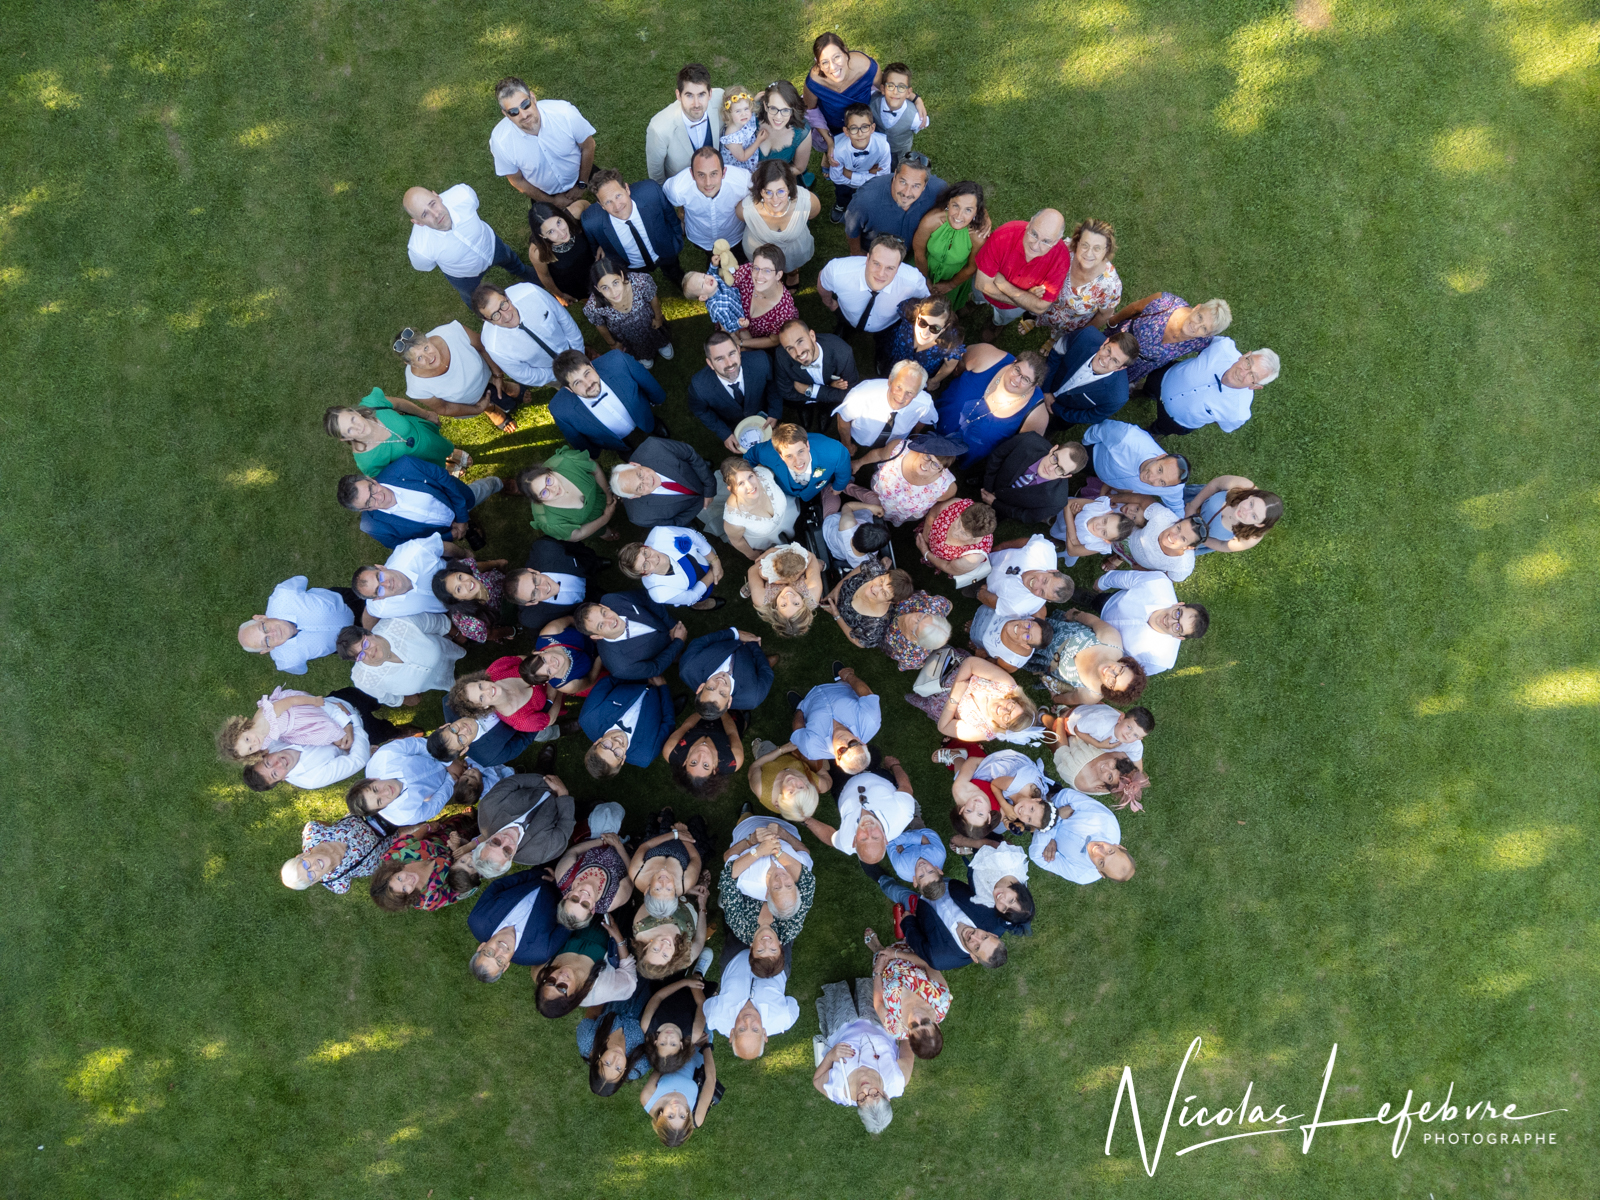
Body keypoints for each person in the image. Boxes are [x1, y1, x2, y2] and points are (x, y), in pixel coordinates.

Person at [403, 182, 538, 308]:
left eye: (432, 204)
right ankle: (481, 310)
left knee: (511, 260)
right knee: (472, 297)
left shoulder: (463, 196)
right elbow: (426, 265)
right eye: (425, 214)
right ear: (418, 222)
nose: (436, 214)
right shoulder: (420, 250)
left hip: (492, 246)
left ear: (437, 196)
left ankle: (522, 271)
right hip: (464, 275)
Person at [337, 459, 506, 552]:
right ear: (363, 510)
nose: (379, 496)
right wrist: (449, 536)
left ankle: (501, 483)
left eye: (371, 488)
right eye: (369, 502)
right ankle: (469, 528)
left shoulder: (405, 465)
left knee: (485, 488)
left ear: (370, 479)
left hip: (458, 500)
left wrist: (462, 518)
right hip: (445, 530)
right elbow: (407, 544)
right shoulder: (372, 526)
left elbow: (442, 477)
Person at [813, 978, 914, 1133]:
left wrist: (831, 1057)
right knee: (870, 986)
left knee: (839, 991)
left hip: (842, 1029)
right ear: (886, 1096)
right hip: (877, 1024)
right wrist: (907, 1028)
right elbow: (908, 1054)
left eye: (861, 1098)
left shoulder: (839, 1090)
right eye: (874, 1094)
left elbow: (817, 1081)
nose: (865, 1089)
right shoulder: (897, 1079)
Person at [816, 235, 930, 371]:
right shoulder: (838, 271)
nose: (881, 274)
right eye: (876, 263)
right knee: (845, 325)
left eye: (890, 268)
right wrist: (830, 303)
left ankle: (881, 356)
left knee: (885, 343)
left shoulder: (913, 281)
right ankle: (844, 331)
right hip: (846, 314)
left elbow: (926, 302)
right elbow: (823, 282)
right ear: (867, 258)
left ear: (899, 267)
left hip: (887, 324)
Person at [240, 691, 393, 792]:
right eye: (274, 774)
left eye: (268, 763)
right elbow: (358, 759)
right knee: (393, 728)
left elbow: (302, 706)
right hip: (364, 731)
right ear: (282, 779)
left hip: (341, 702)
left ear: (264, 755)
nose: (278, 764)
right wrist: (353, 723)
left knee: (385, 691)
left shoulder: (272, 738)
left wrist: (343, 719)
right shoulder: (311, 779)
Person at [932, 344, 1049, 472]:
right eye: (1017, 370)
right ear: (1014, 362)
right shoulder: (989, 356)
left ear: (1034, 385)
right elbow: (961, 358)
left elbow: (1020, 449)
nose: (1016, 379)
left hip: (964, 454)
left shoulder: (1036, 415)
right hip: (934, 418)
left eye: (1025, 379)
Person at [346, 735, 496, 828]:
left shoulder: (384, 757)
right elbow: (433, 807)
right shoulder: (402, 815)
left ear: (372, 779)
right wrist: (451, 780)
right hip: (443, 786)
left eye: (375, 789)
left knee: (479, 748)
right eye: (380, 801)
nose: (385, 792)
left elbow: (418, 745)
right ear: (382, 809)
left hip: (436, 754)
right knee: (478, 787)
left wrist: (449, 762)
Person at [488, 77, 596, 205]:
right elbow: (517, 180)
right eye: (513, 112)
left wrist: (582, 183)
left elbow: (588, 146)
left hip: (580, 173)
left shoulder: (565, 113)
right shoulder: (500, 142)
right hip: (545, 193)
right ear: (506, 114)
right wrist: (553, 201)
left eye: (525, 105)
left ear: (533, 98)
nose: (523, 115)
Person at [869, 874, 1008, 972]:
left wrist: (908, 921)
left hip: (919, 907)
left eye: (976, 947)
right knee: (922, 867)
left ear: (973, 957)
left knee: (895, 890)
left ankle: (880, 877)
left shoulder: (940, 958)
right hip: (944, 885)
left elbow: (915, 940)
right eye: (984, 937)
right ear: (992, 934)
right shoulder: (995, 918)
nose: (973, 937)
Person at [394, 321, 515, 429]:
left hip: (488, 376)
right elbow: (444, 408)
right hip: (471, 402)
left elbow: (482, 348)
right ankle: (491, 410)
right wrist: (478, 409)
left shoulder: (453, 332)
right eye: (419, 358)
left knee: (515, 392)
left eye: (426, 348)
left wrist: (498, 375)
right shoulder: (416, 387)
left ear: (428, 339)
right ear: (409, 363)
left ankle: (504, 386)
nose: (429, 357)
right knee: (494, 405)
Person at [547, 347, 667, 456]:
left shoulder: (618, 360)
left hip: (642, 413)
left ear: (592, 366)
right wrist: (593, 453)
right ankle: (624, 448)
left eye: (587, 373)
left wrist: (658, 398)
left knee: (648, 420)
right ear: (569, 389)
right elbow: (577, 439)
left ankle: (652, 425)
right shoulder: (560, 410)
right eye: (577, 383)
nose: (588, 384)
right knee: (623, 449)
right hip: (612, 440)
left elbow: (646, 381)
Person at [972, 208, 1071, 340]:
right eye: (1034, 234)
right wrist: (1025, 299)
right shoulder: (1005, 234)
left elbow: (1040, 307)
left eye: (1046, 241)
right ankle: (974, 303)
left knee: (1004, 316)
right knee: (977, 294)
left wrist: (1002, 283)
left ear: (1056, 241)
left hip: (1010, 308)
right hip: (988, 293)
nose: (1035, 246)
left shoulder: (1061, 260)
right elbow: (981, 284)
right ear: (1029, 224)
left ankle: (997, 323)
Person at [580, 169, 688, 288]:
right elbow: (596, 249)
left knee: (673, 269)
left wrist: (677, 237)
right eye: (608, 202)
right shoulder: (591, 223)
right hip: (631, 266)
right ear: (601, 205)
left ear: (627, 189)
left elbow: (670, 215)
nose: (617, 206)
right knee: (640, 287)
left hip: (664, 250)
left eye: (618, 196)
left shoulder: (651, 192)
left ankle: (674, 275)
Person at [1148, 339, 1281, 436]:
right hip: (1163, 378)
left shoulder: (1238, 413)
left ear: (1255, 386)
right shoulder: (1222, 347)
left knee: (1160, 429)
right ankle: (1143, 392)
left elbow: (1223, 423)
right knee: (1147, 388)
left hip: (1175, 421)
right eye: (1248, 363)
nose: (1242, 373)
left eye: (1252, 376)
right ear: (1245, 355)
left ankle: (1153, 432)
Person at [473, 280, 586, 391]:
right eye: (495, 315)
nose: (506, 316)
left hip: (575, 349)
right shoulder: (494, 346)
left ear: (506, 296)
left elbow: (564, 320)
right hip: (551, 374)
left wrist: (579, 351)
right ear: (487, 320)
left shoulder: (531, 293)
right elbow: (525, 374)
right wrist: (559, 373)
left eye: (503, 305)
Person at [804, 32, 880, 197]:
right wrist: (830, 141)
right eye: (825, 62)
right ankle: (827, 155)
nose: (832, 68)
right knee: (835, 154)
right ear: (818, 63)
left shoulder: (866, 67)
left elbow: (886, 88)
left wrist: (915, 99)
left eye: (836, 57)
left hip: (862, 122)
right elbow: (811, 110)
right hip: (833, 125)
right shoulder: (815, 82)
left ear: (846, 52)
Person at [970, 533, 1075, 651]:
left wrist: (976, 584)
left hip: (980, 579)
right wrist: (999, 548)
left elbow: (983, 595)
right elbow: (1016, 544)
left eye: (1041, 592)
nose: (1036, 585)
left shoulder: (1018, 607)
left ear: (1047, 600)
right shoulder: (1043, 548)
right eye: (1044, 580)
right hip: (992, 554)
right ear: (1052, 570)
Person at [1095, 569, 1209, 676]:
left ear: (1179, 637)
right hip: (1110, 604)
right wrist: (1102, 583)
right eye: (1178, 614)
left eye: (1178, 627)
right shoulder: (1158, 583)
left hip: (1102, 645)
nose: (1169, 620)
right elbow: (1126, 578)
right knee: (1094, 601)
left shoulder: (1160, 661)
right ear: (1179, 604)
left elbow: (1132, 673)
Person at [1025, 608, 1147, 706]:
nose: (1110, 672)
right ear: (1125, 663)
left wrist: (1055, 697)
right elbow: (1093, 621)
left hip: (1041, 654)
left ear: (1110, 691)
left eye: (1112, 682)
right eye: (1119, 671)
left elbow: (1068, 699)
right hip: (1054, 628)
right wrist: (1075, 614)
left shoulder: (1091, 695)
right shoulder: (1112, 640)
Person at [1105, 293, 1230, 388]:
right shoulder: (1165, 303)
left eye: (1204, 328)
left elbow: (1213, 361)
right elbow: (1135, 308)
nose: (1195, 326)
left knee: (1108, 385)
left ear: (1207, 335)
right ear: (1196, 308)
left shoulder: (1201, 342)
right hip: (1118, 343)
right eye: (1199, 317)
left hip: (1136, 368)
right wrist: (1112, 322)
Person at [638, 997, 718, 1147]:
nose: (677, 1108)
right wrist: (706, 1045)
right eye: (681, 1115)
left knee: (684, 1006)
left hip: (675, 1048)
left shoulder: (648, 1098)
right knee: (707, 1007)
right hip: (699, 1048)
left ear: (661, 1116)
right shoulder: (697, 1117)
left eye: (671, 1115)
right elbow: (710, 1079)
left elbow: (659, 1068)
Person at [907, 653, 1038, 744]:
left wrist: (954, 699)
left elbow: (944, 726)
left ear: (1003, 727)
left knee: (915, 687)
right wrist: (957, 684)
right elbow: (971, 663)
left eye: (1007, 718)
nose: (1003, 710)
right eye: (1011, 707)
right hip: (947, 666)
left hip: (937, 698)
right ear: (1015, 700)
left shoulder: (984, 732)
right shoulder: (1007, 685)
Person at [339, 615, 465, 708]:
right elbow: (385, 697)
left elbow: (437, 622)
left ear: (369, 633)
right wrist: (405, 699)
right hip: (434, 683)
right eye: (361, 655)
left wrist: (458, 635)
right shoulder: (363, 680)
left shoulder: (399, 623)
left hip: (447, 652)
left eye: (365, 644)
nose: (369, 652)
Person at [239, 576, 357, 675]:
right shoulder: (287, 661)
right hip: (348, 642)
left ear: (261, 618)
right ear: (267, 649)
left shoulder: (284, 594)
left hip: (349, 603)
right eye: (266, 640)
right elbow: (301, 670)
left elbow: (302, 579)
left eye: (264, 628)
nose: (273, 633)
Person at [323, 391, 457, 478]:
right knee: (441, 471)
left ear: (355, 412)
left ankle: (453, 453)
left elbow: (399, 403)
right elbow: (390, 478)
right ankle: (447, 468)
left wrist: (426, 414)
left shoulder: (372, 403)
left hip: (427, 435)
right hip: (424, 463)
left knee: (444, 446)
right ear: (346, 438)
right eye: (350, 430)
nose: (358, 427)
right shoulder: (367, 462)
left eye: (353, 419)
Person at [368, 811, 481, 913]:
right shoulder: (429, 900)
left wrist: (428, 827)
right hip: (469, 861)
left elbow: (410, 839)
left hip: (445, 834)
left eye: (399, 878)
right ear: (406, 897)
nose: (408, 880)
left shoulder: (391, 858)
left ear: (392, 872)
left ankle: (470, 816)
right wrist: (458, 850)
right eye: (404, 889)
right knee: (483, 835)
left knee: (464, 819)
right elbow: (462, 884)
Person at [467, 869, 568, 983]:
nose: (500, 950)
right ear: (506, 967)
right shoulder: (539, 952)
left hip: (542, 870)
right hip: (571, 888)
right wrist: (563, 885)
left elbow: (499, 885)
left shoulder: (478, 918)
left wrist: (540, 873)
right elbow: (569, 921)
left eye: (489, 953)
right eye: (500, 961)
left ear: (481, 947)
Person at [803, 765, 917, 865]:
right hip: (875, 774)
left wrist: (806, 820)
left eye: (863, 839)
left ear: (854, 841)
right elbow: (905, 787)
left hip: (842, 787)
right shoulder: (903, 812)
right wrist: (894, 765)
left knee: (828, 765)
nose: (869, 831)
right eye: (875, 837)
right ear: (885, 839)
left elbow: (830, 838)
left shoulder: (846, 842)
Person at [533, 912, 639, 1017]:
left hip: (581, 911)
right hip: (613, 919)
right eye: (562, 987)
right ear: (572, 997)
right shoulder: (600, 989)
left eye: (551, 982)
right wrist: (618, 938)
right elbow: (630, 979)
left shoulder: (541, 971)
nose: (560, 977)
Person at [662, 148, 753, 271]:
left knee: (739, 259)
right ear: (691, 174)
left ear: (724, 171)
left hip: (735, 236)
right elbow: (667, 201)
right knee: (711, 257)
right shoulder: (677, 189)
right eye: (701, 175)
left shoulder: (743, 182)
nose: (708, 183)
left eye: (714, 174)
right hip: (701, 238)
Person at [470, 771, 576, 876]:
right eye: (507, 851)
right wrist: (563, 794)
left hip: (538, 782)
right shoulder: (538, 854)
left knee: (542, 769)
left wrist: (546, 782)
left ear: (487, 839)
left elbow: (513, 782)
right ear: (511, 859)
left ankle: (545, 766)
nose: (506, 839)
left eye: (496, 842)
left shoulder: (487, 808)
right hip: (564, 806)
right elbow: (564, 828)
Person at [686, 332, 778, 452]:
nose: (729, 364)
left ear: (739, 351)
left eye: (732, 354)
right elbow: (700, 410)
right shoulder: (699, 387)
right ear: (710, 363)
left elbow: (774, 385)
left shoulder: (762, 361)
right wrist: (724, 433)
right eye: (720, 359)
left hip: (762, 413)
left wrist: (775, 412)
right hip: (731, 423)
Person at [703, 947, 800, 1060]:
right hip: (774, 957)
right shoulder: (783, 1017)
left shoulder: (716, 1017)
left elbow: (708, 1004)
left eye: (742, 1029)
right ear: (764, 1034)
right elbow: (792, 1002)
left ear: (732, 1033)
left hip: (735, 954)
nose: (748, 1020)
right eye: (755, 1029)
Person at [1082, 419, 1188, 516]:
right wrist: (1084, 445)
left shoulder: (1173, 487)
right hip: (1093, 457)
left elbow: (1177, 508)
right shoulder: (1126, 437)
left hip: (1107, 478)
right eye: (1159, 470)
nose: (1151, 479)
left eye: (1162, 482)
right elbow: (1098, 430)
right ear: (1161, 456)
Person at [832, 362, 936, 462]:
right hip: (860, 439)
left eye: (910, 392)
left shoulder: (924, 403)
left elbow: (926, 419)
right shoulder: (861, 396)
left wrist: (915, 435)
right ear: (890, 380)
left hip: (894, 444)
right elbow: (843, 417)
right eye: (899, 387)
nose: (901, 397)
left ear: (917, 393)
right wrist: (847, 444)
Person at [791, 667, 882, 779]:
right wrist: (848, 676)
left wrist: (800, 710)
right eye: (852, 744)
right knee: (844, 678)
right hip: (840, 688)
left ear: (837, 761)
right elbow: (867, 695)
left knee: (800, 708)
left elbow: (798, 729)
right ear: (861, 742)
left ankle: (800, 703)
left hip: (808, 705)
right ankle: (840, 677)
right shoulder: (871, 721)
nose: (844, 742)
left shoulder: (812, 748)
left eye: (842, 750)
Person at [738, 160, 820, 283]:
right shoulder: (746, 209)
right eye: (768, 192)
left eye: (780, 191)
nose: (775, 200)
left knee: (793, 264)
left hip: (794, 250)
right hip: (759, 251)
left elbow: (813, 214)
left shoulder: (807, 201)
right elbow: (742, 218)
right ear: (760, 191)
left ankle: (793, 273)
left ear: (789, 188)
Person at [842, 157, 946, 254]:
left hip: (912, 255)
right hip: (878, 254)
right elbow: (852, 229)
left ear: (925, 185)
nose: (907, 193)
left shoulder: (939, 191)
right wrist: (856, 253)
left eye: (916, 186)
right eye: (903, 182)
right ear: (895, 175)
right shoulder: (865, 200)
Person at [866, 938, 949, 1059]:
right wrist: (895, 954)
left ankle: (877, 948)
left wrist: (878, 970)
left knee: (879, 953)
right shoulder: (941, 999)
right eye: (925, 1022)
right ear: (937, 1025)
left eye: (914, 1025)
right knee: (910, 936)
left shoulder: (895, 1028)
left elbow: (878, 1003)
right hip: (908, 954)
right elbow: (927, 964)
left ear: (908, 1035)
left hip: (883, 968)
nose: (917, 1017)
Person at [1041, 326, 1140, 427]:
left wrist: (1056, 409)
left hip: (1065, 414)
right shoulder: (1085, 336)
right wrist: (1045, 390)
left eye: (1114, 361)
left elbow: (1090, 416)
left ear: (1120, 368)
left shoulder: (1117, 397)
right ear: (1105, 343)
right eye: (1108, 351)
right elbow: (1057, 353)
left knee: (1056, 425)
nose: (1105, 360)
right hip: (1047, 385)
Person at [912, 181, 989, 311]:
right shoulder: (931, 221)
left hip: (954, 276)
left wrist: (950, 285)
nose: (959, 216)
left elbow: (971, 268)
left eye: (968, 210)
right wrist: (925, 279)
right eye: (956, 206)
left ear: (976, 212)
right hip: (922, 267)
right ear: (948, 203)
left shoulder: (978, 238)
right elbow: (919, 253)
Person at [581, 257, 673, 367]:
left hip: (649, 323)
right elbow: (600, 325)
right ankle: (643, 355)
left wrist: (658, 318)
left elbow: (652, 298)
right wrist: (613, 343)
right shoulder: (593, 307)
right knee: (637, 348)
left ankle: (662, 344)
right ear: (597, 288)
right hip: (625, 335)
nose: (613, 292)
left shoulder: (641, 282)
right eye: (605, 288)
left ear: (621, 275)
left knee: (657, 334)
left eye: (615, 283)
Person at [575, 592, 687, 680]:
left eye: (604, 613)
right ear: (596, 636)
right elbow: (655, 667)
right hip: (665, 651)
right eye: (601, 625)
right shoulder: (621, 667)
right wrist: (678, 642)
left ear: (604, 606)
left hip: (665, 625)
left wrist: (671, 625)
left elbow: (646, 598)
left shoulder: (612, 599)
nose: (610, 620)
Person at [216, 686, 346, 763]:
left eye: (247, 739)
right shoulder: (261, 744)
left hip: (298, 714)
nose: (254, 743)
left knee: (331, 733)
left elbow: (291, 701)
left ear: (243, 729)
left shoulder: (266, 716)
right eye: (250, 749)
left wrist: (314, 701)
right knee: (327, 739)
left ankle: (336, 710)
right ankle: (340, 738)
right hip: (293, 730)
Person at [772, 319, 861, 431]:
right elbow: (786, 391)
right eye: (790, 348)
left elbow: (850, 393)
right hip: (804, 398)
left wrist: (809, 390)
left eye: (800, 342)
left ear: (812, 336)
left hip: (813, 393)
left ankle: (826, 408)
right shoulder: (782, 356)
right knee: (796, 402)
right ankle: (806, 407)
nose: (799, 353)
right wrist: (828, 390)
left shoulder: (842, 354)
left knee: (831, 401)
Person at [1029, 791, 1135, 884]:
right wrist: (1050, 826)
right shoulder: (1106, 820)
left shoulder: (1081, 875)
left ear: (1100, 872)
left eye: (1101, 862)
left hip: (1033, 824)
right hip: (1047, 796)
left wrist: (1050, 828)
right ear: (1119, 846)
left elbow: (1036, 856)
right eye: (1110, 851)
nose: (1098, 850)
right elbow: (1066, 795)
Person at [610, 437, 718, 528]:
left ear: (635, 465)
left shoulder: (654, 446)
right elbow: (675, 522)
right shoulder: (640, 517)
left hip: (696, 477)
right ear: (635, 496)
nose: (648, 481)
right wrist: (700, 506)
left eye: (640, 475)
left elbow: (689, 454)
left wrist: (709, 487)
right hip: (694, 507)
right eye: (639, 487)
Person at [645, 63, 725, 185]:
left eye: (701, 95)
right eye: (689, 95)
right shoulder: (659, 128)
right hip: (684, 187)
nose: (696, 104)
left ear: (710, 93)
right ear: (678, 95)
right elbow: (656, 174)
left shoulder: (720, 99)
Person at [979, 433, 1086, 524]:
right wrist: (988, 486)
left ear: (1066, 476)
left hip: (1003, 508)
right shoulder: (1028, 441)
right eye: (1055, 458)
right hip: (993, 480)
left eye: (1061, 470)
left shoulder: (1056, 502)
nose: (1050, 468)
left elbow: (1026, 516)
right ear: (1053, 449)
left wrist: (995, 504)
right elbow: (997, 457)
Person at [742, 421, 852, 509]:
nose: (798, 461)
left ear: (807, 445)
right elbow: (749, 458)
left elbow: (844, 469)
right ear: (780, 455)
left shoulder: (834, 451)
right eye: (789, 456)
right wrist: (750, 478)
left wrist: (839, 486)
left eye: (800, 451)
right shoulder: (766, 452)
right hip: (785, 490)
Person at [518, 447, 617, 543]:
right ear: (538, 501)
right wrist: (605, 518)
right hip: (591, 523)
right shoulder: (551, 522)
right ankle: (603, 532)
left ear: (549, 471)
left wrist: (608, 498)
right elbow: (578, 534)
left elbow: (595, 470)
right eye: (544, 492)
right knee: (599, 531)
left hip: (601, 495)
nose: (553, 489)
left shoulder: (569, 461)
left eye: (548, 480)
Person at [860, 433, 959, 527]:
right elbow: (878, 454)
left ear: (942, 469)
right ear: (922, 449)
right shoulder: (898, 448)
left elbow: (940, 504)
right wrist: (858, 463)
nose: (926, 464)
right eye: (928, 456)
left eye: (936, 464)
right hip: (879, 494)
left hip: (899, 513)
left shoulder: (946, 487)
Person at [280, 815, 397, 895]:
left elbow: (323, 824)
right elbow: (346, 885)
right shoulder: (337, 883)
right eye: (311, 876)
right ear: (315, 882)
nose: (314, 867)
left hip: (368, 817)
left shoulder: (313, 832)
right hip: (387, 846)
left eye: (305, 864)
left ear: (301, 855)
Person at [619, 526, 725, 611]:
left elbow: (693, 536)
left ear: (646, 547)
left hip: (703, 558)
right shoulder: (659, 593)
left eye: (646, 553)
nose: (653, 559)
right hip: (697, 586)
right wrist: (712, 574)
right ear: (645, 574)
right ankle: (699, 604)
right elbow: (691, 596)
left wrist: (715, 562)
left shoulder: (660, 534)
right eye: (645, 565)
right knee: (700, 596)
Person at [353, 533, 450, 623]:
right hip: (452, 611)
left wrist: (464, 554)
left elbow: (443, 547)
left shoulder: (416, 551)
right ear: (379, 598)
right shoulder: (381, 607)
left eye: (380, 577)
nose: (387, 584)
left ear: (381, 567)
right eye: (379, 590)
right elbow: (369, 612)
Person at [448, 656, 555, 735]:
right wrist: (557, 684)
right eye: (481, 697)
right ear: (484, 707)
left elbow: (523, 660)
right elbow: (551, 718)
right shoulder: (521, 721)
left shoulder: (496, 670)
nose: (487, 690)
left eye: (480, 686)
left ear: (479, 680)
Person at [716, 457, 799, 559]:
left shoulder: (765, 474)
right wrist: (752, 555)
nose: (750, 486)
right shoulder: (734, 518)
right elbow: (736, 540)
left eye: (750, 476)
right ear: (731, 489)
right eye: (741, 483)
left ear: (755, 473)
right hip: (766, 539)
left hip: (788, 516)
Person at [679, 627, 776, 714]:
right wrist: (754, 645)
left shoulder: (688, 667)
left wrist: (735, 634)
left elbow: (702, 641)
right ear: (729, 701)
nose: (720, 683)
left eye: (711, 688)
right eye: (722, 693)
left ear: (701, 687)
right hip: (749, 657)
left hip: (727, 642)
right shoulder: (753, 696)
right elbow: (767, 672)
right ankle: (762, 660)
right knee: (763, 665)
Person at [821, 560, 914, 650]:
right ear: (884, 573)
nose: (875, 588)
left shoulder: (875, 627)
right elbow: (859, 568)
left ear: (890, 601)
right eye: (881, 581)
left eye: (884, 593)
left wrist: (837, 616)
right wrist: (836, 589)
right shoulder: (875, 569)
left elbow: (858, 642)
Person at [551, 832, 634, 928]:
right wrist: (618, 845)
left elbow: (573, 851)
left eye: (574, 899)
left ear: (566, 896)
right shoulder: (610, 901)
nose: (582, 896)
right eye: (585, 905)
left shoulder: (563, 877)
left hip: (598, 839)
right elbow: (633, 876)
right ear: (593, 909)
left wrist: (604, 840)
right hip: (628, 855)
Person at [1183, 475, 1283, 555]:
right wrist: (1192, 506)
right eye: (1251, 504)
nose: (1245, 511)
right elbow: (1215, 484)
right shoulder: (1244, 486)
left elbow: (1222, 545)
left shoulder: (1250, 538)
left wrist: (1196, 537)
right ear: (1251, 496)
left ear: (1259, 524)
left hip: (1200, 538)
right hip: (1194, 501)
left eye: (1254, 516)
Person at [578, 991, 654, 1095]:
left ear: (597, 1061)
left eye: (607, 1063)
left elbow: (594, 1011)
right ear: (624, 1073)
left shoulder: (587, 1041)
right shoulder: (639, 1066)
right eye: (618, 1068)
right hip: (650, 1000)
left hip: (619, 993)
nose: (616, 1059)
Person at [662, 707, 746, 799]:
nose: (701, 755)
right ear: (714, 768)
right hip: (728, 723)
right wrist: (721, 709)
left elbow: (686, 726)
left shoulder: (671, 750)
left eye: (693, 762)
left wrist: (706, 707)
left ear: (685, 762)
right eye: (705, 765)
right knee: (738, 716)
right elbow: (732, 732)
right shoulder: (733, 760)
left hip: (702, 719)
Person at [745, 542, 825, 637]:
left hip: (771, 566)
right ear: (804, 604)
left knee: (756, 579)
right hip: (797, 563)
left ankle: (752, 585)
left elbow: (753, 570)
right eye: (796, 603)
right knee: (817, 565)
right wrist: (796, 572)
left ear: (775, 608)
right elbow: (811, 557)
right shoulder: (812, 593)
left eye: (783, 605)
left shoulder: (761, 600)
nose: (788, 596)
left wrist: (772, 553)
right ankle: (820, 566)